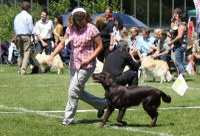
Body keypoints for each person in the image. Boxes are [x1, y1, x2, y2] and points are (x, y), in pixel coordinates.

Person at [48, 8, 107, 126]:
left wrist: (89, 59)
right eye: (79, 21)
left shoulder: (92, 28)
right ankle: (102, 104)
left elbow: (100, 46)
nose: (82, 23)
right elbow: (63, 43)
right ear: (73, 20)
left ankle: (67, 120)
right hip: (73, 64)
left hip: (87, 66)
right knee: (77, 92)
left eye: (84, 20)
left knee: (73, 91)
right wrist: (53, 54)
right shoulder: (70, 29)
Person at [14, 1, 34, 75]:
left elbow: (15, 27)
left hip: (18, 35)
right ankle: (23, 70)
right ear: (28, 8)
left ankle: (19, 69)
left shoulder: (17, 16)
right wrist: (33, 37)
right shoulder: (29, 16)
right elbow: (31, 28)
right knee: (26, 52)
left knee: (20, 53)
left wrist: (16, 36)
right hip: (26, 36)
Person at [168, 11, 188, 76]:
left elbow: (179, 36)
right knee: (180, 62)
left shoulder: (181, 26)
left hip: (180, 46)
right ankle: (181, 74)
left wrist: (171, 42)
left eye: (178, 16)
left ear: (180, 17)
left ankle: (182, 76)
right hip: (182, 45)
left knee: (178, 62)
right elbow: (174, 29)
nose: (177, 17)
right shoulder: (183, 24)